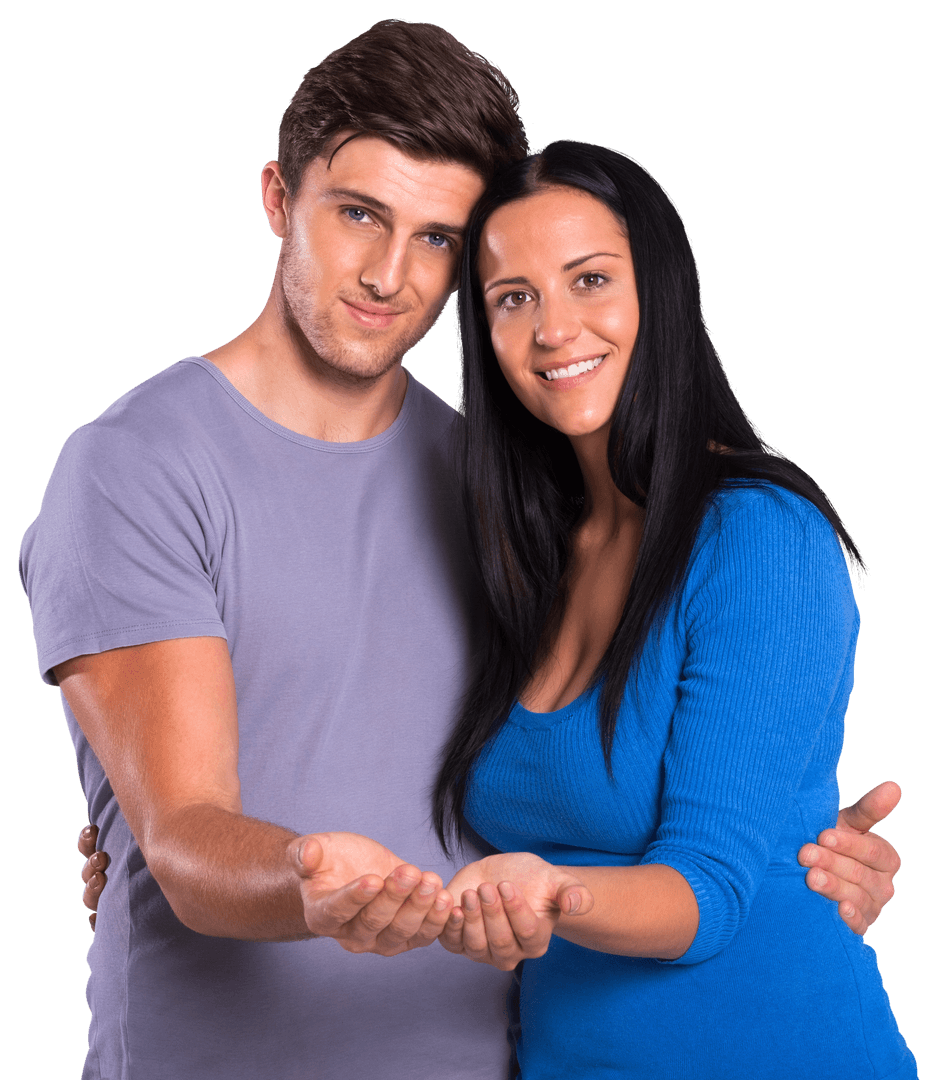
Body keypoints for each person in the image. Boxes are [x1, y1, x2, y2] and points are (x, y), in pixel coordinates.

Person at [19, 20, 903, 1080]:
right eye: (357, 214)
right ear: (275, 199)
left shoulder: (494, 484)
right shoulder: (133, 466)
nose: (389, 274)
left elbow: (656, 792)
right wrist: (293, 871)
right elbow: (186, 839)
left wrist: (790, 847)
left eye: (437, 238)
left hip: (491, 1057)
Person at [429, 140, 916, 1077]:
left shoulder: (760, 536)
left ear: (662, 288)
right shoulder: (529, 557)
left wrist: (543, 890)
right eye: (514, 297)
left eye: (591, 279)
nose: (554, 329)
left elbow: (707, 893)